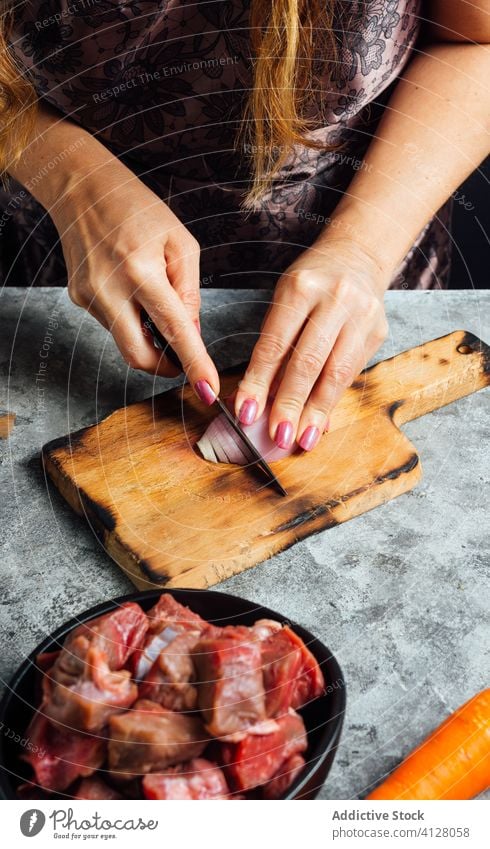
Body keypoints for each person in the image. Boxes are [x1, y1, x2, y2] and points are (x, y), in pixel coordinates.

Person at [1, 1, 488, 453]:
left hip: (372, 265)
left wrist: (362, 251)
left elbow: (476, 42)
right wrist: (76, 182)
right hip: (61, 271)